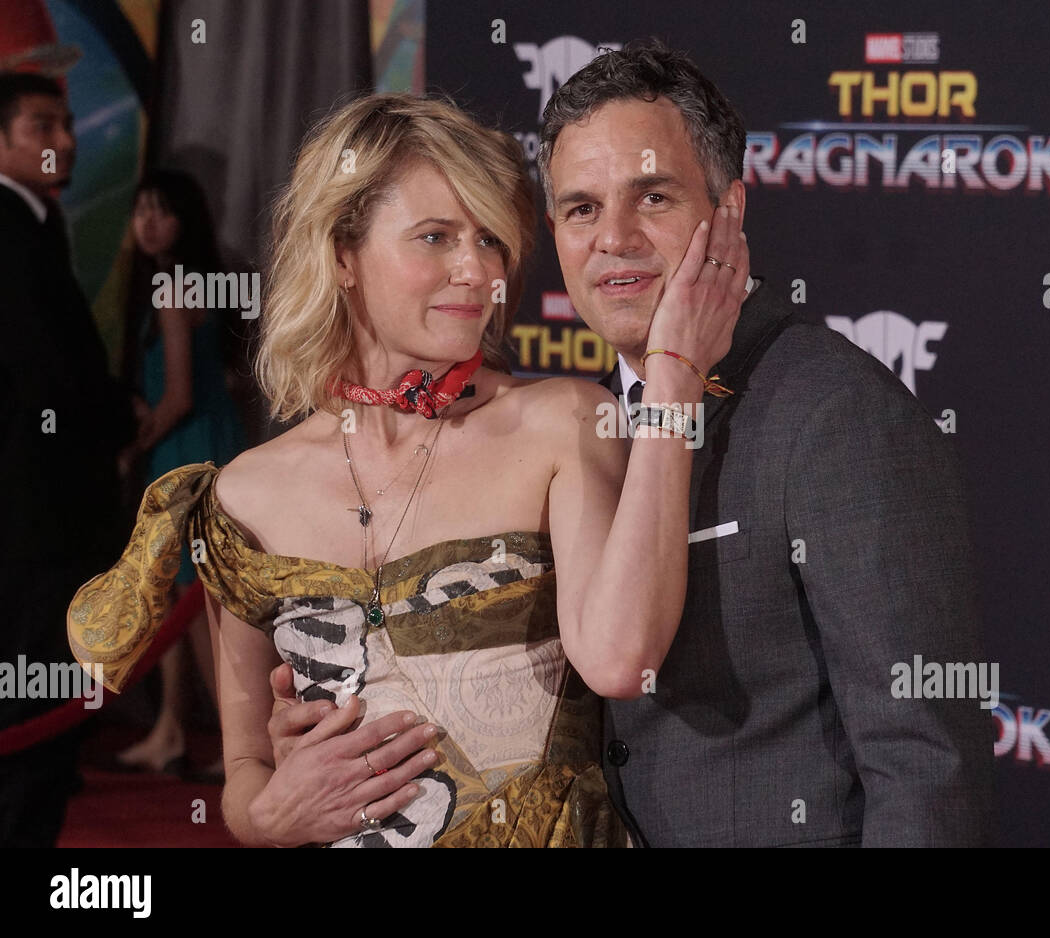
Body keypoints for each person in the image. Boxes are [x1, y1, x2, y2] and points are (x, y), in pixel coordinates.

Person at [68, 91, 746, 847]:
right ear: (342, 255)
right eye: (436, 237)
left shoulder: (564, 421)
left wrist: (674, 376)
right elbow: (246, 773)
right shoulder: (244, 497)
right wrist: (268, 814)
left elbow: (622, 657)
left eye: (491, 239)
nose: (476, 270)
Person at [534, 39, 992, 846]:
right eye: (582, 208)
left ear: (730, 210)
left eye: (653, 197)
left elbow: (924, 765)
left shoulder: (838, 413)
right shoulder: (582, 428)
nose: (614, 238)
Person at [0, 71, 137, 846]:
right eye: (42, 127)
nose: (64, 142)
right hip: (33, 525)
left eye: (68, 125)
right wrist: (120, 415)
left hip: (42, 523)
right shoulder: (9, 227)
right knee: (32, 717)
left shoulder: (33, 223)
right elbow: (47, 370)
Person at [110, 169, 246, 778]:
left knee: (194, 598)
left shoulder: (173, 288)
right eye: (140, 209)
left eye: (160, 209)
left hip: (185, 451)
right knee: (174, 597)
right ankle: (170, 730)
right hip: (198, 447)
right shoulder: (184, 284)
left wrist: (133, 444)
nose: (147, 221)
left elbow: (182, 396)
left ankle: (236, 745)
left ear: (185, 219)